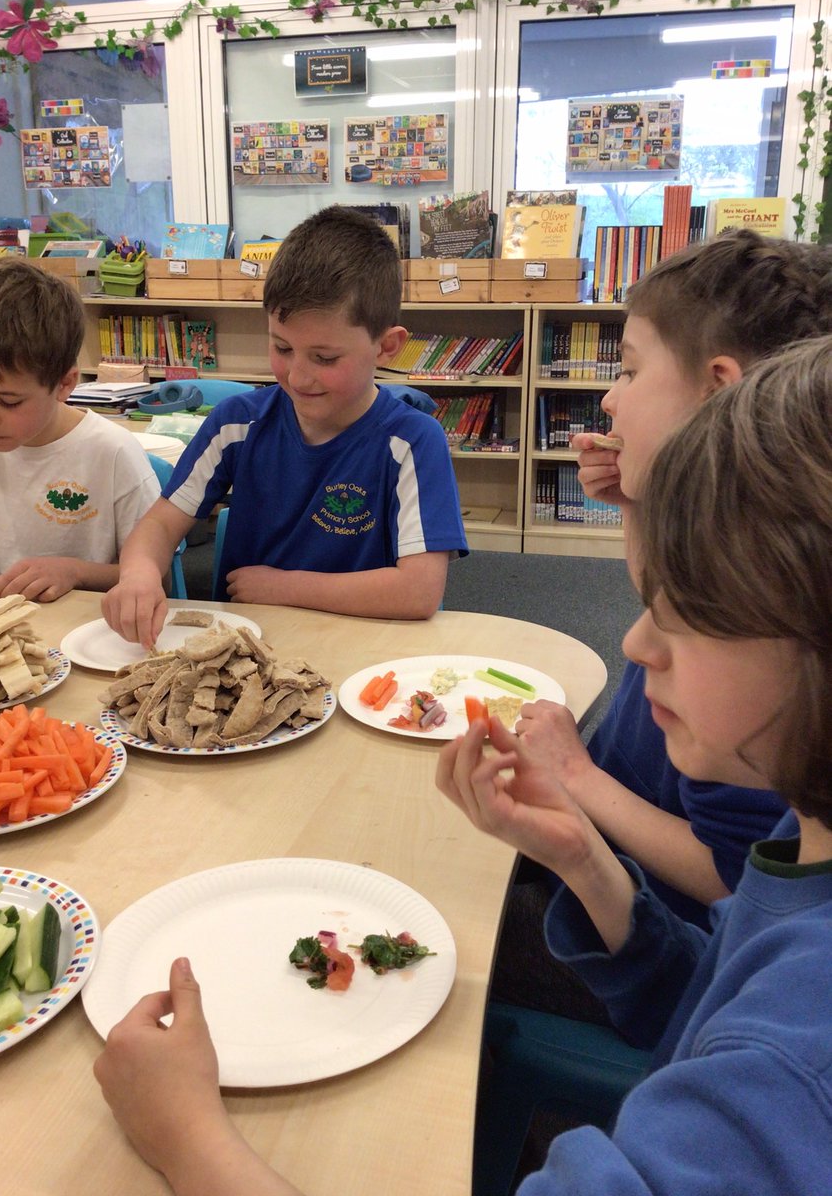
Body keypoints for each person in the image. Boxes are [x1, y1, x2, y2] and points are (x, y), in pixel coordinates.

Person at [93, 338, 832, 1195]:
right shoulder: (802, 832)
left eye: (689, 613)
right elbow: (699, 1004)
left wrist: (186, 1138)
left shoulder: (794, 1065)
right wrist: (586, 862)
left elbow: (747, 1044)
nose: (634, 643)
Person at [502, 231, 832, 969]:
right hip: (611, 853)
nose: (611, 396)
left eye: (629, 369)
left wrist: (578, 780)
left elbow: (731, 876)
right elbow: (672, 601)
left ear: (717, 385)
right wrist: (633, 503)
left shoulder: (759, 670)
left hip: (653, 923)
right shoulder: (760, 549)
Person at [101, 207, 467, 648]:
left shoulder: (413, 440)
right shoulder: (237, 423)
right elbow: (159, 526)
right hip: (246, 652)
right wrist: (139, 573)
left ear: (386, 347)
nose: (297, 376)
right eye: (281, 347)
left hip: (362, 650)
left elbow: (418, 592)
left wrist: (284, 587)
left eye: (324, 358)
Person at [0, 259, 160, 602]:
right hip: (1, 629)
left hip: (92, 629)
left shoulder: (111, 453)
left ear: (64, 383)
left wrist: (76, 572)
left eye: (8, 402)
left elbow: (159, 580)